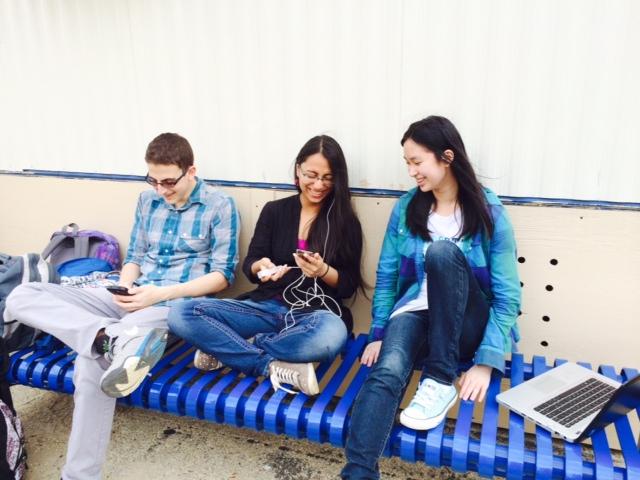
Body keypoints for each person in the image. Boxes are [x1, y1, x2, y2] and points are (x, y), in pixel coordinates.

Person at [5, 133, 240, 480]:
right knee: (22, 296)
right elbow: (134, 258)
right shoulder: (147, 201)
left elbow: (223, 277)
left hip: (173, 306)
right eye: (154, 180)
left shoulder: (220, 206)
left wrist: (157, 295)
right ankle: (106, 336)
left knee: (90, 364)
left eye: (169, 182)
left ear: (192, 170)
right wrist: (126, 284)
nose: (161, 189)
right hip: (127, 299)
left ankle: (79, 475)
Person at [341, 116, 521, 479]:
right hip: (416, 314)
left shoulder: (489, 212)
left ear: (446, 157)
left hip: (465, 325)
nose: (411, 172)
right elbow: (388, 275)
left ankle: (439, 380)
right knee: (387, 369)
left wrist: (486, 360)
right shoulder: (407, 209)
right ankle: (358, 472)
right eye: (407, 162)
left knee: (441, 253)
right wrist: (379, 332)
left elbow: (507, 296)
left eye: (416, 161)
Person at [168, 135, 363, 395]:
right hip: (262, 309)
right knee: (182, 313)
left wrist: (323, 272)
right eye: (311, 175)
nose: (318, 185)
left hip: (313, 317)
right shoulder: (275, 211)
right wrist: (261, 267)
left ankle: (230, 348)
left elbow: (348, 285)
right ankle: (266, 364)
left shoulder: (345, 221)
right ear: (298, 170)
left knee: (330, 339)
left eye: (327, 178)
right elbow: (251, 263)